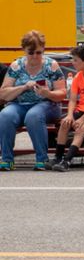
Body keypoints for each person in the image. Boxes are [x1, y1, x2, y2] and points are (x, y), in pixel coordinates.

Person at [0, 31, 66, 171]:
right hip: (19, 104)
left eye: (39, 52)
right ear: (24, 50)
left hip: (48, 104)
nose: (35, 56)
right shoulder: (16, 66)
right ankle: (7, 159)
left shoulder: (51, 65)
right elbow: (4, 93)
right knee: (5, 115)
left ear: (43, 49)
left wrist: (47, 93)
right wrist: (23, 87)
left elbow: (62, 93)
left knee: (33, 116)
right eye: (31, 53)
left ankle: (42, 158)